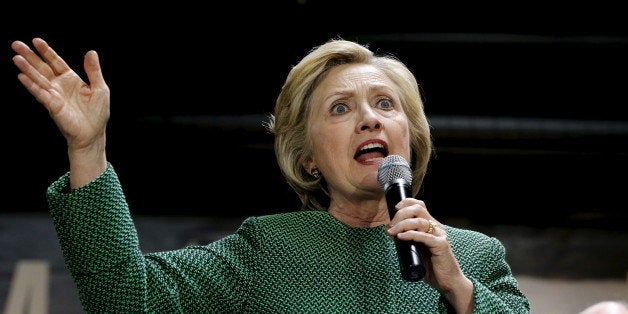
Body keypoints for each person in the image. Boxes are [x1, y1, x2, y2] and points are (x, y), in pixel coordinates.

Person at [11, 37, 530, 313]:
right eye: (341, 109)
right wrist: (89, 146)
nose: (370, 118)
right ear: (307, 158)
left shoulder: (475, 258)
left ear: (411, 139)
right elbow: (126, 297)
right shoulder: (269, 248)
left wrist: (459, 290)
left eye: (384, 104)